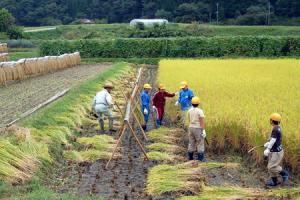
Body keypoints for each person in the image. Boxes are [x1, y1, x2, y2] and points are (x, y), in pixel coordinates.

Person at [264, 113, 289, 187]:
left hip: (276, 152)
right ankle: (274, 182)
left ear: (272, 121)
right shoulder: (278, 127)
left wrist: (268, 149)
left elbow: (273, 140)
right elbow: (274, 139)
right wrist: (268, 143)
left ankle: (284, 173)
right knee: (270, 167)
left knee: (271, 167)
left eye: (270, 120)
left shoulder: (275, 129)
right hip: (274, 151)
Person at [187, 97, 206, 161]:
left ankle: (190, 158)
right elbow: (202, 121)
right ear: (198, 103)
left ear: (191, 103)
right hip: (198, 128)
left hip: (191, 128)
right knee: (200, 142)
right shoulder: (200, 111)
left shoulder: (189, 110)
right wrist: (203, 130)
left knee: (191, 142)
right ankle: (200, 159)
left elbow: (189, 120)